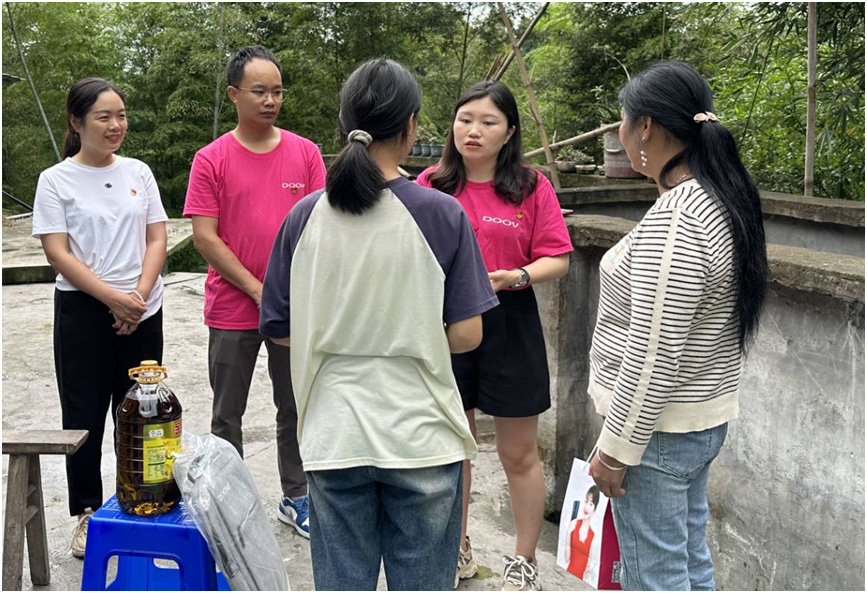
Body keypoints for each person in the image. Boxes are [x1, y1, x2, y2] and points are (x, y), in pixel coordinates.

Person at [260, 58, 498, 591]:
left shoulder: (304, 216)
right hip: (422, 436)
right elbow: (467, 335)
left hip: (333, 432)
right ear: (411, 127)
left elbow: (278, 326)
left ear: (344, 126)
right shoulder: (442, 213)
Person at [588, 60, 768, 591]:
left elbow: (653, 351)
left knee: (656, 578)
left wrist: (616, 450)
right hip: (694, 423)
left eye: (623, 121)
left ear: (645, 127)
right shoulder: (721, 197)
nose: (620, 133)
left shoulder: (678, 218)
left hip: (656, 434)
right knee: (688, 564)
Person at [416, 80, 573, 592]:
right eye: (465, 120)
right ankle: (457, 548)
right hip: (445, 322)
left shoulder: (531, 185)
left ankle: (523, 561)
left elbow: (558, 257)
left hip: (511, 321)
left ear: (509, 133)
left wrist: (517, 275)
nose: (474, 131)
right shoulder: (431, 184)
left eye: (488, 122)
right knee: (452, 448)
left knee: (518, 452)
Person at [183, 45, 326, 538]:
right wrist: (257, 289)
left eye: (278, 92)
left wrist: (284, 292)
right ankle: (231, 503)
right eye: (259, 91)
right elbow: (205, 237)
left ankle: (297, 496)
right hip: (231, 307)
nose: (270, 101)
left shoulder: (305, 153)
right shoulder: (212, 158)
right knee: (227, 412)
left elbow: (320, 226)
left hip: (294, 307)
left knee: (296, 405)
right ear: (233, 94)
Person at [32, 77, 168, 557]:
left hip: (142, 307)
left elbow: (157, 237)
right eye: (103, 117)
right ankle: (87, 512)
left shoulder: (138, 172)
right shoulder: (56, 179)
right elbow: (57, 253)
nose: (116, 125)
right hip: (84, 310)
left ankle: (142, 500)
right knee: (84, 414)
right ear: (76, 121)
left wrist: (138, 297)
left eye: (121, 116)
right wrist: (113, 299)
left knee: (142, 411)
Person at [564, 485, 599, 579]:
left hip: (580, 580)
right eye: (586, 501)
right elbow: (567, 558)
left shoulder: (593, 535)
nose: (586, 507)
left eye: (591, 504)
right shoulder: (574, 525)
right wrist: (568, 533)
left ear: (595, 509)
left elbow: (588, 568)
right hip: (568, 574)